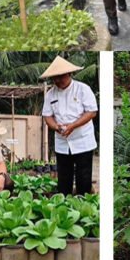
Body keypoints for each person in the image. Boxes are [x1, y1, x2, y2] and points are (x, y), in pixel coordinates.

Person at [41, 56, 98, 196]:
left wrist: (72, 126)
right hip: (62, 142)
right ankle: (64, 206)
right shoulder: (50, 94)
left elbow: (91, 112)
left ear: (69, 74)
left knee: (83, 178)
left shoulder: (83, 89)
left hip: (82, 140)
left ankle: (83, 207)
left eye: (61, 77)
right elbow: (47, 116)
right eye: (55, 78)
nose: (58, 80)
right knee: (63, 179)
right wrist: (56, 127)